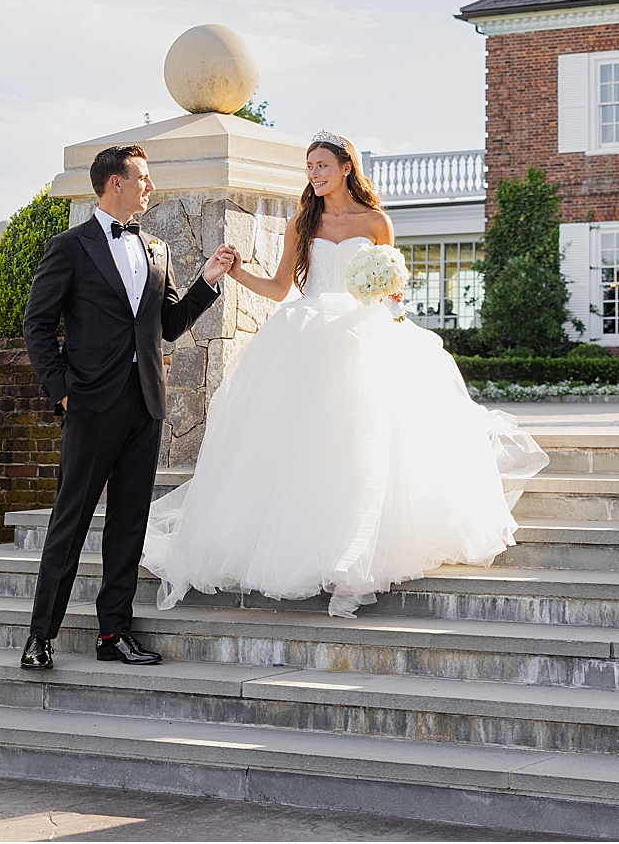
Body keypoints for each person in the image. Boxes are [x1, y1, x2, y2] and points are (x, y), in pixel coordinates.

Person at [141, 132, 547, 617]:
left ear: (345, 167)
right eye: (308, 167)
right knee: (305, 445)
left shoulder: (376, 222)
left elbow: (392, 292)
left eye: (321, 165)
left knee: (363, 443)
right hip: (306, 335)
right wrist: (234, 272)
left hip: (363, 336)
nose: (313, 174)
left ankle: (352, 551)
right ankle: (301, 545)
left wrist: (392, 296)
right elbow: (277, 288)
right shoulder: (300, 223)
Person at [18, 143, 237, 670]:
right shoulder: (69, 247)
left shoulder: (156, 249)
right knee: (69, 523)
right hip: (91, 405)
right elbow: (37, 325)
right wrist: (63, 390)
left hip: (145, 406)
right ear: (114, 182)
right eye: (143, 176)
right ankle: (39, 637)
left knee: (129, 525)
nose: (150, 185)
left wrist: (209, 278)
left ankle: (113, 633)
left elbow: (166, 325)